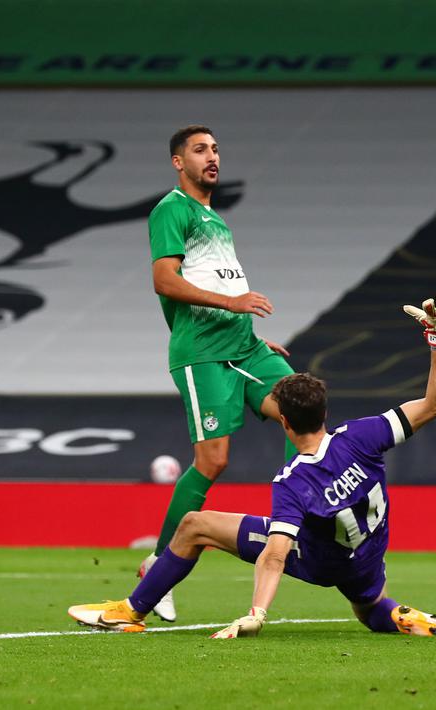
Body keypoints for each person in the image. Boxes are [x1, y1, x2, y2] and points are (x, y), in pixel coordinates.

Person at [69, 292, 436, 638]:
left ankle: (130, 612)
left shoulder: (294, 481)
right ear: (324, 411)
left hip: (318, 559)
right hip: (367, 554)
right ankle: (403, 615)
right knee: (369, 610)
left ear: (284, 421)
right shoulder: (362, 436)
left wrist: (256, 613)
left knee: (194, 526)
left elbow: (276, 554)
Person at [140, 125, 297, 623]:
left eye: (215, 150)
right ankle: (158, 566)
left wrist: (245, 325)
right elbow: (164, 280)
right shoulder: (172, 210)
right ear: (177, 162)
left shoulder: (216, 221)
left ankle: (299, 524)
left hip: (243, 345)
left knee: (301, 408)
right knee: (213, 461)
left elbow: (215, 277)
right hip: (203, 354)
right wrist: (231, 304)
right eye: (200, 150)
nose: (212, 157)